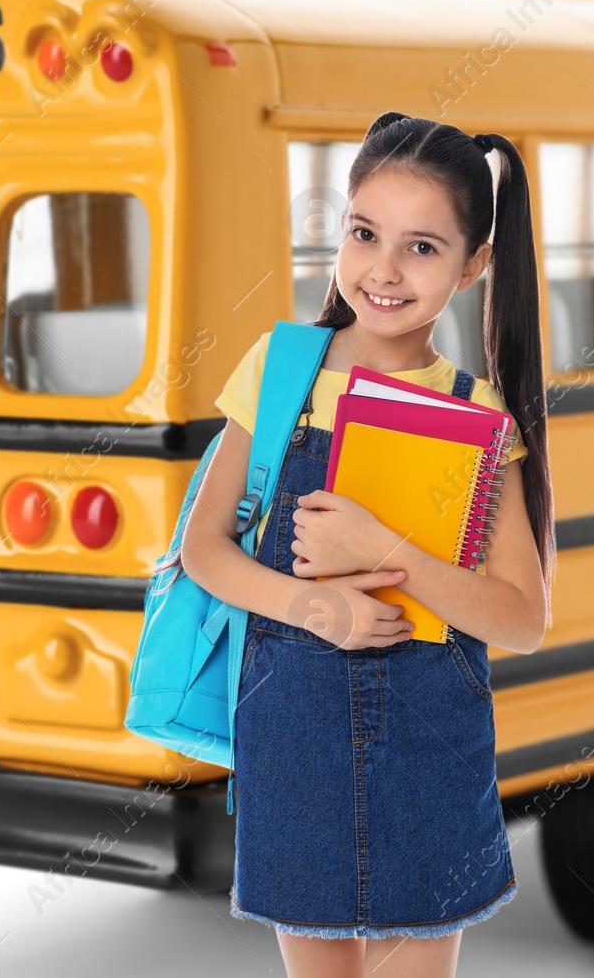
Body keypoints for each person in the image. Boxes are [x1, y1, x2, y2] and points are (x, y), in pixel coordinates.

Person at [179, 112, 556, 978]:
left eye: (422, 247)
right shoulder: (280, 373)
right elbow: (204, 549)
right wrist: (318, 607)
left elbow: (522, 617)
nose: (383, 269)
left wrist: (391, 550)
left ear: (474, 265)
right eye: (363, 233)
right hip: (293, 728)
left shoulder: (480, 417)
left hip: (431, 739)